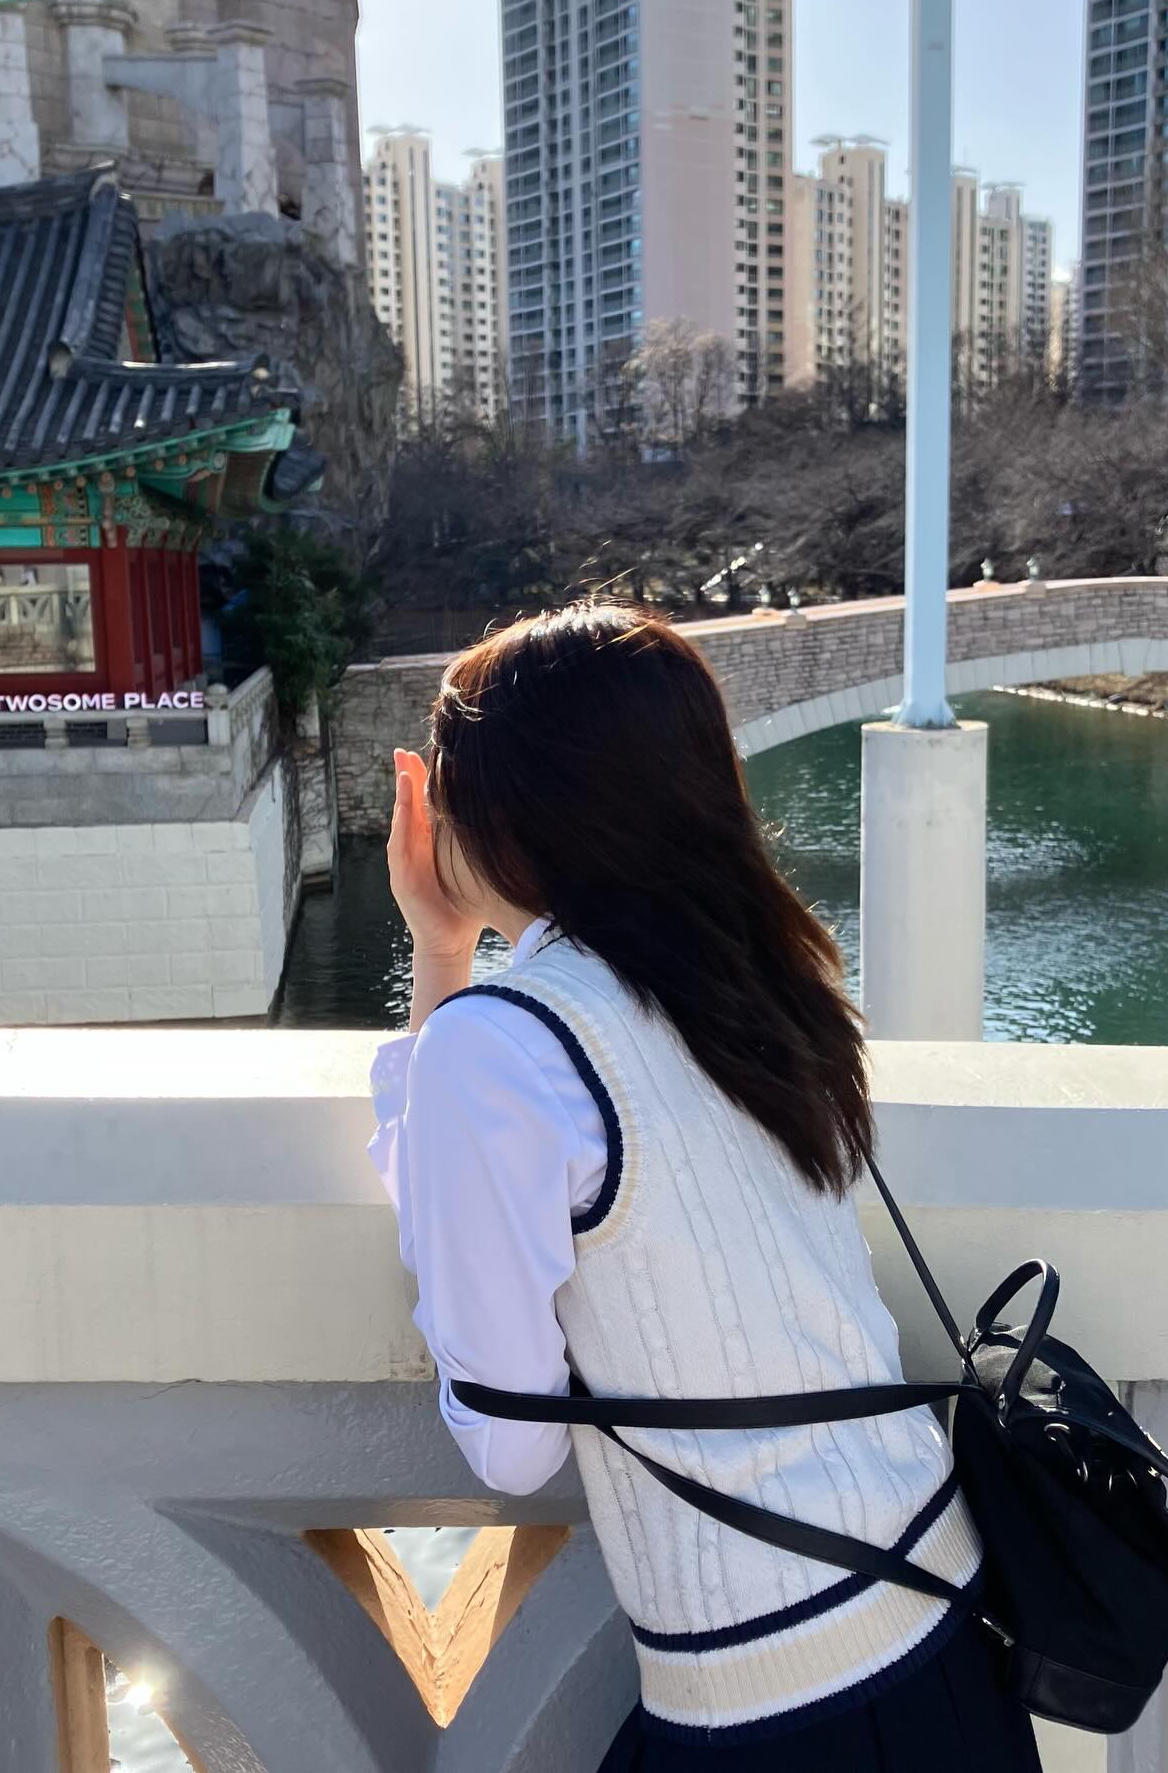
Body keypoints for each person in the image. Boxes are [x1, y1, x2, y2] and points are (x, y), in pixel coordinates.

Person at [366, 600, 1040, 1771]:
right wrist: (447, 951)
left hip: (774, 1699)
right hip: (944, 1625)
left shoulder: (503, 1044)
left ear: (508, 812)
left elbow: (511, 1445)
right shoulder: (757, 974)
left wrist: (441, 951)